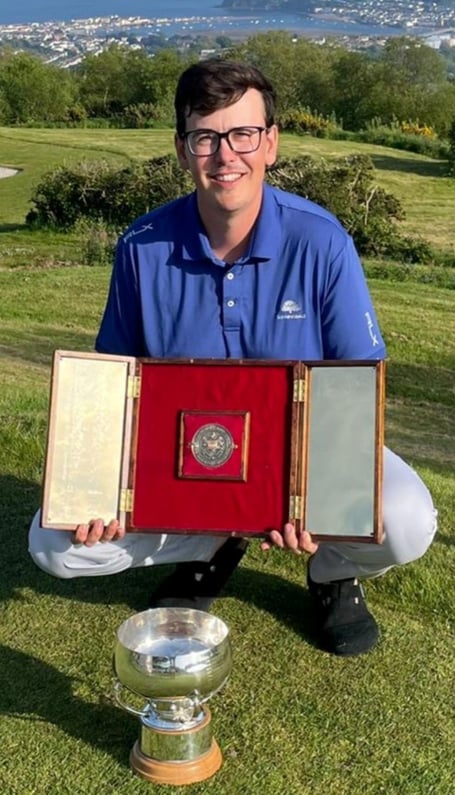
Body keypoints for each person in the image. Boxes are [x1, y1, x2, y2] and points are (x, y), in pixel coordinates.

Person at [29, 59, 437, 657]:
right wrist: (100, 488)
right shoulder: (141, 247)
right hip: (183, 467)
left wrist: (320, 499)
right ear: (182, 149)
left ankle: (330, 572)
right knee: (54, 544)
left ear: (270, 142)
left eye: (243, 134)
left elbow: (355, 394)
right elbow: (108, 391)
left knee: (406, 522)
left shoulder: (322, 241)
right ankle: (213, 548)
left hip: (304, 459)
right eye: (206, 137)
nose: (226, 156)